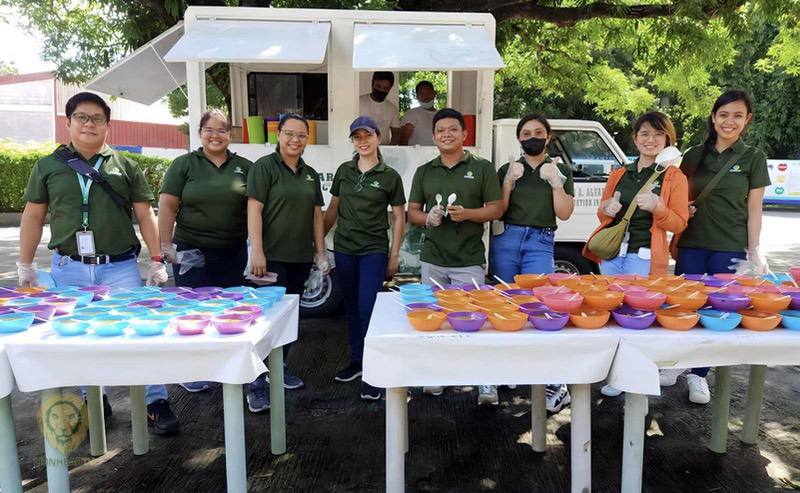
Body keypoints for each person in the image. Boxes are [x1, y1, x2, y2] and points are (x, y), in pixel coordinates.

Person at [17, 92, 179, 436]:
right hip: (69, 268)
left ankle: (155, 401)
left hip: (120, 268)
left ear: (107, 124)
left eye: (97, 118)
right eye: (81, 117)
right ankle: (92, 398)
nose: (89, 124)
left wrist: (156, 260)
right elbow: (33, 216)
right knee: (77, 337)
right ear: (69, 122)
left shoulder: (125, 166)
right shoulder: (48, 166)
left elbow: (145, 215)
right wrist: (25, 264)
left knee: (139, 332)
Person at [666, 90, 770, 404]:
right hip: (692, 244)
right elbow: (678, 197)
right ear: (713, 118)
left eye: (737, 115)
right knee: (684, 306)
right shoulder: (694, 155)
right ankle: (675, 364)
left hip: (730, 246)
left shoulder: (754, 158)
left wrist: (754, 250)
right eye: (723, 114)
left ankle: (699, 374)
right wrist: (684, 209)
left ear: (747, 120)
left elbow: (754, 209)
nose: (729, 121)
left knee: (718, 312)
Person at [582, 111, 689, 397]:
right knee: (612, 312)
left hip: (644, 257)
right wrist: (607, 209)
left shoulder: (674, 177)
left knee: (639, 316)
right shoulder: (620, 173)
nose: (650, 140)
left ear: (668, 139)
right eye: (644, 133)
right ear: (635, 138)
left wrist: (658, 208)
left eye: (658, 134)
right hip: (612, 255)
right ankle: (615, 374)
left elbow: (679, 223)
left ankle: (635, 377)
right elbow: (603, 212)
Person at [407, 108, 503, 400]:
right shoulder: (425, 171)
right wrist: (429, 218)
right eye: (440, 131)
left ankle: (485, 380)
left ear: (464, 134)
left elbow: (496, 209)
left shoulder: (482, 168)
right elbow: (412, 213)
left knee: (474, 320)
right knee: (435, 319)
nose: (446, 135)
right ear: (434, 136)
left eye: (452, 129)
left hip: (468, 258)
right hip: (433, 258)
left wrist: (468, 214)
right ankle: (438, 374)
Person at [158, 108, 252, 393]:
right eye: (209, 130)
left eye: (222, 130)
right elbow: (167, 205)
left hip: (233, 250)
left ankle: (225, 366)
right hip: (192, 251)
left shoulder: (245, 166)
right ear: (200, 133)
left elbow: (255, 208)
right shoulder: (184, 164)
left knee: (229, 312)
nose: (215, 135)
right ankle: (193, 370)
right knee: (193, 312)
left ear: (230, 134)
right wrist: (165, 245)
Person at [246, 113, 329, 413]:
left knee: (290, 319)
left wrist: (320, 252)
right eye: (289, 134)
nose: (295, 140)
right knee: (265, 321)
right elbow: (254, 209)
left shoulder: (310, 173)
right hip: (271, 258)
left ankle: (278, 367)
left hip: (300, 258)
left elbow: (316, 215)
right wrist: (257, 251)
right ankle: (256, 382)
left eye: (301, 135)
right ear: (278, 135)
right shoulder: (264, 167)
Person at [491, 114, 575, 410]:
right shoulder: (507, 168)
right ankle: (505, 370)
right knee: (505, 303)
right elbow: (499, 211)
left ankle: (554, 382)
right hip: (507, 238)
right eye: (526, 133)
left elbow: (564, 213)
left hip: (540, 240)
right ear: (519, 138)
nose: (532, 137)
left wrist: (556, 183)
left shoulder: (560, 169)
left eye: (539, 132)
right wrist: (508, 183)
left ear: (548, 136)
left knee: (540, 307)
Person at [324, 116, 406, 400]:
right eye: (357, 137)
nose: (362, 141)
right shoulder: (344, 171)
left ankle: (374, 369)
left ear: (378, 138)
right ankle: (357, 361)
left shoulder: (389, 176)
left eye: (367, 135)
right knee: (351, 307)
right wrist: (317, 242)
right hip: (345, 249)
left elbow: (399, 217)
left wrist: (394, 255)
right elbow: (333, 209)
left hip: (373, 250)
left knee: (368, 308)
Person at [358, 71, 401, 145]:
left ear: (390, 88)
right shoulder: (358, 102)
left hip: (383, 150)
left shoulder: (392, 109)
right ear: (372, 84)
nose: (381, 90)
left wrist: (390, 149)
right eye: (378, 86)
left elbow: (396, 133)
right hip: (360, 148)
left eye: (385, 88)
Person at [399, 80, 437, 146]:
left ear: (434, 93)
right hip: (415, 153)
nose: (425, 96)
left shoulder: (441, 115)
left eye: (428, 93)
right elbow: (403, 141)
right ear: (417, 97)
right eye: (422, 94)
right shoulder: (412, 114)